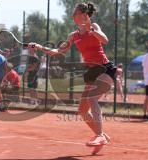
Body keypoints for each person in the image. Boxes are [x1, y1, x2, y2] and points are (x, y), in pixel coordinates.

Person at [28, 2, 116, 154]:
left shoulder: (94, 26)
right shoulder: (73, 35)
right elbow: (58, 51)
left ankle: (100, 135)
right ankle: (102, 135)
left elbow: (105, 40)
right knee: (82, 110)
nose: (72, 16)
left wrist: (92, 30)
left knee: (92, 98)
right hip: (91, 72)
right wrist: (39, 47)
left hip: (105, 69)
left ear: (84, 15)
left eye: (74, 13)